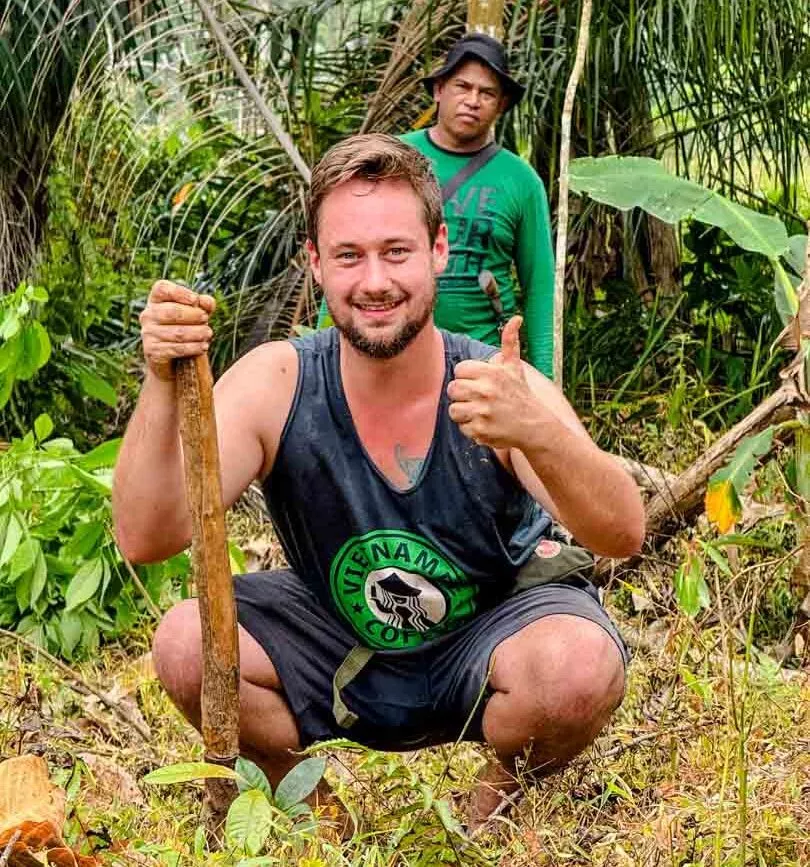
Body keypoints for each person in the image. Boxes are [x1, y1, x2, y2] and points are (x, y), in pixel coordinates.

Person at [113, 134, 644, 830]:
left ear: (438, 252)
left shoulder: (494, 381)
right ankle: (321, 817)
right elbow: (147, 535)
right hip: (335, 637)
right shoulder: (279, 380)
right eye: (349, 256)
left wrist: (536, 430)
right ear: (315, 264)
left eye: (396, 251)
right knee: (185, 641)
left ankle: (491, 816)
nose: (375, 281)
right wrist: (160, 377)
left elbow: (623, 531)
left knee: (578, 664)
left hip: (483, 634)